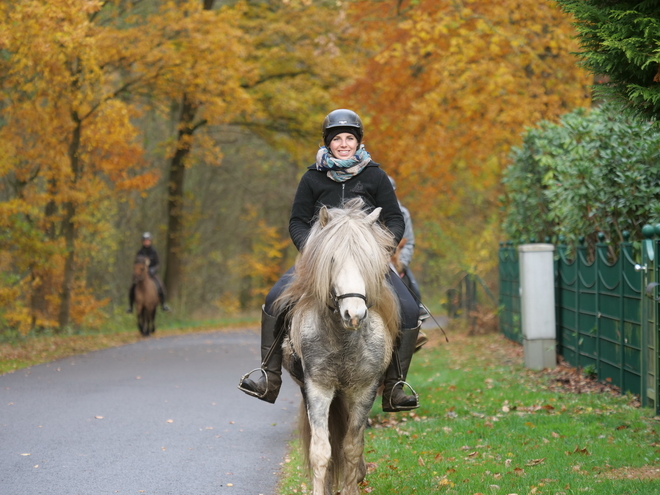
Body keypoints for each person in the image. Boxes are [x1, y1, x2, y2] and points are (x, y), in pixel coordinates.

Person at [238, 109, 421, 412]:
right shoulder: (312, 177)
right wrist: (311, 250)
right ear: (328, 142)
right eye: (338, 139)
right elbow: (296, 221)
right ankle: (269, 378)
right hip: (319, 262)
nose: (345, 143)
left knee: (410, 309)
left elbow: (394, 219)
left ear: (358, 141)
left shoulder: (375, 175)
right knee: (274, 300)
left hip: (366, 262)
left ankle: (395, 386)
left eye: (350, 138)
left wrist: (379, 251)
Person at [388, 176, 430, 350]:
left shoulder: (403, 213)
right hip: (374, 262)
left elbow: (409, 241)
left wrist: (402, 263)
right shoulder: (367, 210)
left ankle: (414, 331)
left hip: (397, 262)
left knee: (414, 290)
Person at [127, 232, 171, 313]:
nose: (146, 242)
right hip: (141, 275)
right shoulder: (139, 252)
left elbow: (158, 264)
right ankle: (130, 306)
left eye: (148, 240)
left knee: (161, 286)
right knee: (132, 287)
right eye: (145, 240)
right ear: (142, 241)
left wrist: (153, 269)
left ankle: (163, 304)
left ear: (150, 241)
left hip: (151, 273)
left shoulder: (154, 252)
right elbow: (136, 263)